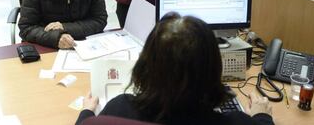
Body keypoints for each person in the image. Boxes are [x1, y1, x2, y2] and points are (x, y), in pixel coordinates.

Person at [75, 13, 274, 125]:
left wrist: (86, 113)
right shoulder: (236, 122)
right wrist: (262, 116)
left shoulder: (119, 110)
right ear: (213, 69)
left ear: (146, 65)